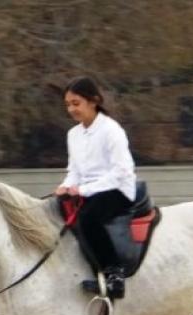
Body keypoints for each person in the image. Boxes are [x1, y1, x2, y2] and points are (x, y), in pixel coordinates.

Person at [55, 76, 137, 299]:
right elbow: (74, 171)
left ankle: (114, 274)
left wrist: (83, 190)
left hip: (118, 190)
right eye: (68, 104)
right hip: (88, 190)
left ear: (93, 101)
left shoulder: (111, 130)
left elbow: (122, 172)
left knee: (89, 218)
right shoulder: (73, 135)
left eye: (76, 103)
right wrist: (65, 186)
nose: (71, 109)